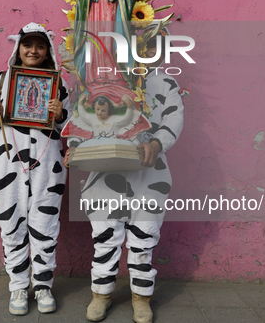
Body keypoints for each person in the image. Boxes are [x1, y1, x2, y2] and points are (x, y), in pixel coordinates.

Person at [66, 35, 184, 323]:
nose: (148, 52)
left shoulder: (166, 83)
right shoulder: (102, 81)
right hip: (106, 172)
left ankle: (141, 298)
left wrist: (157, 145)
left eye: (155, 46)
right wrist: (74, 148)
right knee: (105, 238)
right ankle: (101, 294)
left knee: (144, 237)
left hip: (150, 173)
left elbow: (174, 118)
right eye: (142, 44)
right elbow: (81, 118)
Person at [0, 22, 69, 316]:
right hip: (7, 163)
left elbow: (72, 124)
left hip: (48, 164)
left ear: (48, 50)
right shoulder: (2, 80)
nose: (33, 51)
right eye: (28, 45)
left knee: (45, 227)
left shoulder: (59, 84)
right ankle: (18, 285)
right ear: (18, 47)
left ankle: (42, 285)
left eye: (40, 46)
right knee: (11, 224)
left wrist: (61, 114)